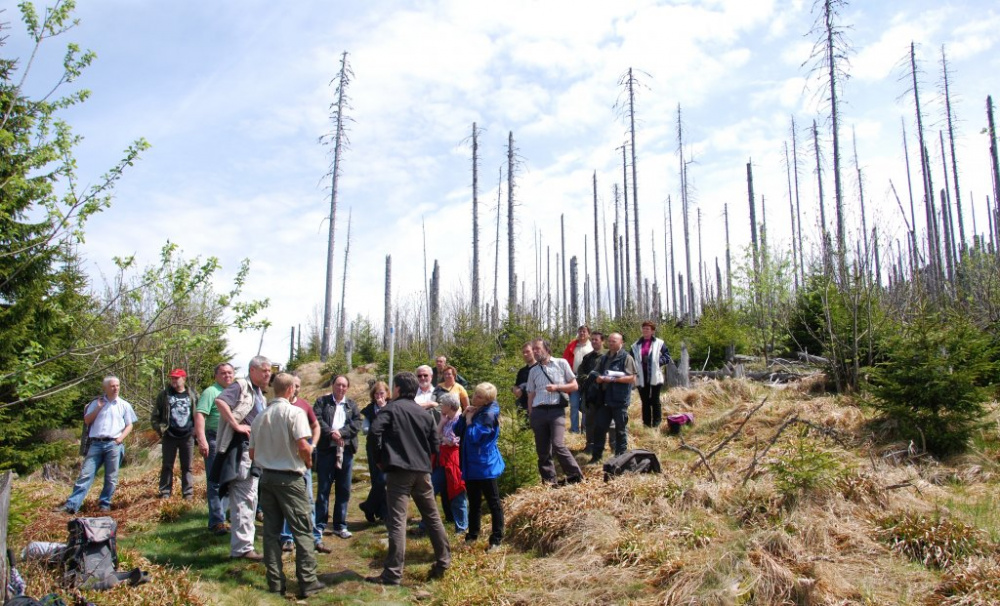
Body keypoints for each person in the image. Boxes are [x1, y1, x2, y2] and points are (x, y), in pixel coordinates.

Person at [366, 371, 451, 586]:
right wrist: (427, 459)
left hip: (399, 471)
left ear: (397, 389)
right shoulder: (423, 413)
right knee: (432, 517)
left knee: (397, 521)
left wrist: (379, 460)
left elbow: (374, 431)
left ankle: (393, 574)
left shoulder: (391, 409)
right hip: (422, 471)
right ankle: (444, 561)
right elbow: (435, 443)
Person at [248, 373, 326, 600]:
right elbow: (303, 444)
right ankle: (308, 581)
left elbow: (252, 453)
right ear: (291, 389)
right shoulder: (295, 413)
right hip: (290, 478)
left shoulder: (260, 417)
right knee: (302, 530)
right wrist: (308, 462)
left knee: (271, 533)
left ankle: (275, 582)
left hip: (267, 478)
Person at [215, 355, 272, 561]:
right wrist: (236, 425)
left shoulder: (259, 394)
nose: (268, 374)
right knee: (243, 497)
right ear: (253, 370)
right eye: (264, 370)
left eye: (269, 371)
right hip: (239, 451)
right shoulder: (241, 386)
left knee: (251, 497)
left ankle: (244, 545)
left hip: (253, 453)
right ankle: (241, 549)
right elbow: (220, 401)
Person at [60, 376, 137, 514]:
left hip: (114, 444)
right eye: (112, 386)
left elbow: (129, 425)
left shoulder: (124, 405)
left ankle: (104, 504)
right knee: (85, 474)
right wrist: (98, 408)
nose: (115, 388)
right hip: (96, 444)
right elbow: (87, 420)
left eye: (117, 385)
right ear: (106, 388)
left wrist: (119, 439)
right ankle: (72, 505)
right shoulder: (96, 403)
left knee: (111, 477)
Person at [280, 373, 330, 554]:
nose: (295, 389)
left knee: (308, 499)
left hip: (303, 461)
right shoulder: (278, 406)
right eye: (293, 385)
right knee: (288, 501)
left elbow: (316, 426)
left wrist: (313, 445)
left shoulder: (304, 406)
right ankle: (287, 538)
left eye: (298, 386)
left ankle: (316, 537)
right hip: (285, 462)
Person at [454, 382, 505, 551]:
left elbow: (474, 436)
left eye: (479, 396)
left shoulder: (489, 415)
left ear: (487, 400)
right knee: (474, 501)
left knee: (493, 502)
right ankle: (472, 535)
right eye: (475, 394)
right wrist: (464, 416)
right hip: (472, 463)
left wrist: (469, 420)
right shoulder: (477, 410)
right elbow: (456, 430)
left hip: (485, 465)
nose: (474, 397)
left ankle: (496, 539)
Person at [527, 339, 583, 486]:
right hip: (538, 411)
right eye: (533, 349)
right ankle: (549, 482)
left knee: (558, 444)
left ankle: (576, 475)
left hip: (556, 410)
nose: (535, 351)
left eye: (537, 348)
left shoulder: (561, 363)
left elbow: (574, 386)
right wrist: (531, 414)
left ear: (547, 349)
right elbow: (531, 394)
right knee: (542, 450)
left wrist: (557, 387)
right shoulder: (533, 370)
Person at [312, 374, 362, 541]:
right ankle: (319, 524)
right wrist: (330, 433)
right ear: (333, 385)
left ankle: (340, 524)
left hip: (345, 450)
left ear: (347, 387)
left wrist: (341, 433)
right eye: (338, 385)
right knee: (324, 488)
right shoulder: (322, 402)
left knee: (344, 488)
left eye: (344, 385)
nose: (341, 388)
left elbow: (356, 423)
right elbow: (317, 419)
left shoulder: (351, 404)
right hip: (326, 449)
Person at [195, 362, 235, 535]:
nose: (227, 376)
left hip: (232, 439)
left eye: (229, 373)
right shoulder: (210, 392)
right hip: (214, 439)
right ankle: (217, 521)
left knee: (233, 480)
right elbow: (200, 415)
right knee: (215, 482)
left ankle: (231, 517)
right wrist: (201, 439)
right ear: (216, 376)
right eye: (223, 373)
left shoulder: (234, 392)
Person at [151, 368, 198, 500]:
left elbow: (199, 415)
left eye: (177, 378)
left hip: (187, 436)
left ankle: (188, 493)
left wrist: (196, 431)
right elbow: (155, 416)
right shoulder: (164, 395)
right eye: (172, 378)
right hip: (169, 436)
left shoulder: (192, 394)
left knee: (187, 466)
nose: (174, 381)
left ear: (184, 379)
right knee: (167, 465)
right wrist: (160, 429)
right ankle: (165, 492)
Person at [590, 333, 638, 463]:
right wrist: (598, 378)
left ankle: (620, 458)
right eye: (610, 341)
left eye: (614, 341)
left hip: (619, 399)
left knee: (620, 429)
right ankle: (596, 457)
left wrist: (613, 379)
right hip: (604, 399)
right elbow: (595, 372)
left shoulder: (626, 358)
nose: (611, 343)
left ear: (621, 342)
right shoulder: (604, 358)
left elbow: (632, 378)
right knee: (600, 428)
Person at [432, 393, 467, 534]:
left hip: (454, 461)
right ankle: (426, 525)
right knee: (431, 488)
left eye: (443, 405)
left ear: (449, 406)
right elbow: (437, 436)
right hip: (443, 460)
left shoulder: (459, 420)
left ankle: (462, 527)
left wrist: (443, 438)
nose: (441, 407)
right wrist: (441, 423)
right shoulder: (447, 419)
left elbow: (453, 441)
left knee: (457, 491)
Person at [358, 381, 390, 524]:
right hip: (373, 449)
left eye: (382, 393)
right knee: (376, 479)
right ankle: (382, 512)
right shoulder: (370, 409)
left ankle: (369, 506)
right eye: (376, 394)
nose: (379, 396)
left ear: (387, 394)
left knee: (383, 480)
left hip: (388, 449)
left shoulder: (391, 407)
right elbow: (364, 429)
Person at [631, 321, 672, 428]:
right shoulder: (635, 345)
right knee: (645, 401)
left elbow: (667, 356)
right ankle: (646, 423)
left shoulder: (659, 343)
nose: (645, 331)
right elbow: (630, 359)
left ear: (652, 331)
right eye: (643, 328)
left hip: (654, 375)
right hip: (641, 376)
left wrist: (658, 361)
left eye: (647, 329)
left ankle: (657, 423)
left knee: (655, 399)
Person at [577, 331, 606, 456]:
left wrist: (599, 379)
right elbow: (580, 373)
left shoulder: (608, 357)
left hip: (604, 394)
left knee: (604, 422)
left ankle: (602, 446)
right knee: (589, 421)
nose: (594, 342)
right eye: (592, 339)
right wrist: (588, 378)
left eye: (596, 339)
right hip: (589, 395)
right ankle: (590, 445)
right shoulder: (587, 358)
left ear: (602, 341)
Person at [561, 326, 593, 434]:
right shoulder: (572, 345)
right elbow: (564, 361)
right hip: (573, 378)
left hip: (587, 379)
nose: (582, 333)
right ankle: (574, 429)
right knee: (574, 404)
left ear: (589, 334)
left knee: (585, 404)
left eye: (584, 331)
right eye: (580, 331)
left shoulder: (592, 346)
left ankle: (585, 428)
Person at [512, 342, 535, 422]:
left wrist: (522, 389)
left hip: (535, 406)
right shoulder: (522, 371)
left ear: (534, 351)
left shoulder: (540, 368)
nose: (525, 354)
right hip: (522, 406)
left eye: (528, 351)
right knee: (523, 430)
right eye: (523, 352)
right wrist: (514, 389)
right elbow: (516, 384)